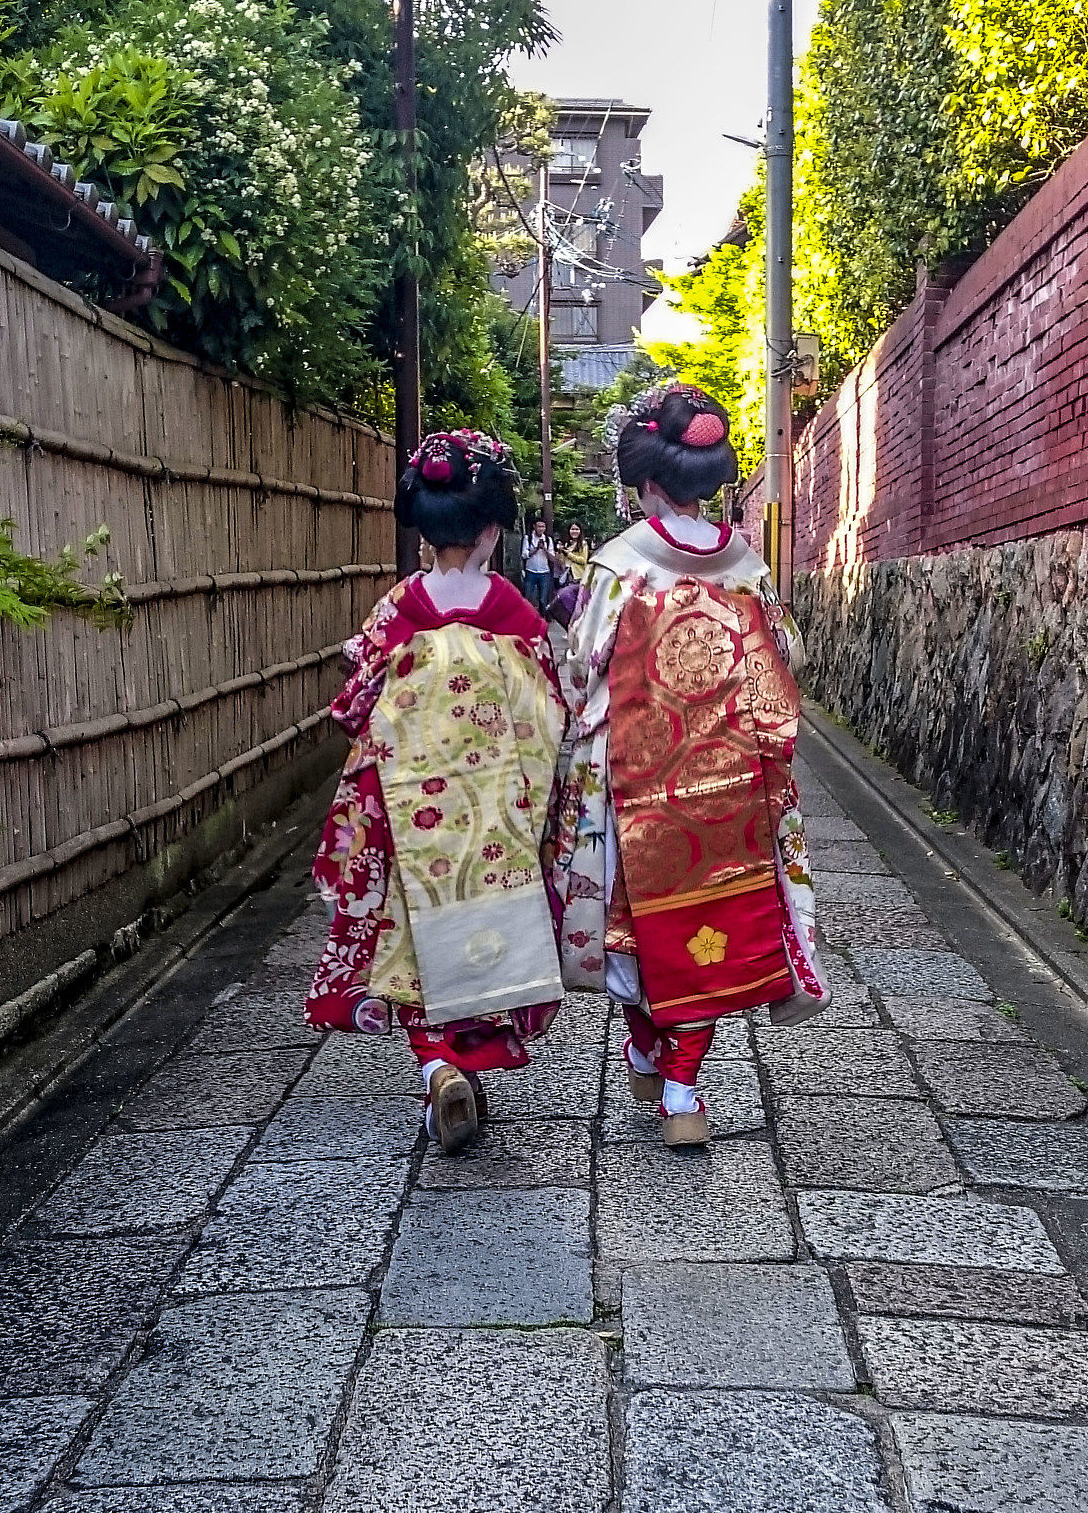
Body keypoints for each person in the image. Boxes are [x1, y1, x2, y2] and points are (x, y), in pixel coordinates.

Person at [548, 382, 825, 1148]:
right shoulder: (746, 566)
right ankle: (680, 1086)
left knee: (636, 924)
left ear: (643, 484)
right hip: (731, 776)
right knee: (714, 923)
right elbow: (789, 657)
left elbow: (582, 666)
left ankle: (647, 1046)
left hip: (634, 779)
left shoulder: (618, 565)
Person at [305, 430, 569, 1153]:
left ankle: (436, 1069)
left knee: (414, 933)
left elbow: (353, 703)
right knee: (486, 930)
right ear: (491, 530)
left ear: (425, 529)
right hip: (493, 819)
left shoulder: (400, 607)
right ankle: (466, 1057)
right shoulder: (512, 610)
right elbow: (548, 707)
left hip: (408, 804)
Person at [521, 519, 555, 614]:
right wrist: (536, 549)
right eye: (539, 526)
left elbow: (552, 558)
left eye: (543, 527)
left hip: (544, 572)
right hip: (531, 571)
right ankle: (525, 616)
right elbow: (524, 555)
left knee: (543, 600)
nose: (541, 529)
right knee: (527, 597)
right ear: (534, 527)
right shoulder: (528, 538)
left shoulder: (548, 540)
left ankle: (542, 618)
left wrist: (544, 549)